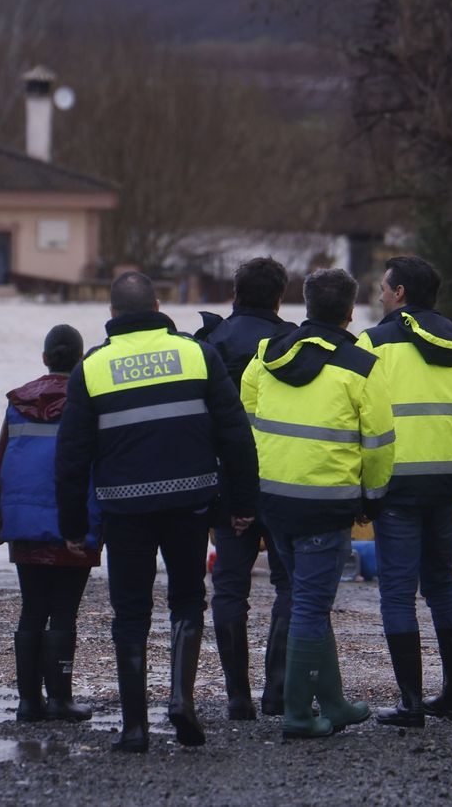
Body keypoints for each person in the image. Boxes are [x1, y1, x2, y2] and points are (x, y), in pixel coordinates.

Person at [55, 272, 259, 754]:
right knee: (187, 599)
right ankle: (181, 699)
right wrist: (243, 503)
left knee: (130, 611)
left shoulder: (92, 368)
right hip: (191, 501)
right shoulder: (197, 354)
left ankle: (134, 728)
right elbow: (236, 435)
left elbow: (72, 456)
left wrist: (73, 525)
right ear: (158, 306)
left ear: (112, 314)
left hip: (124, 508)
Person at [241, 268, 395, 741]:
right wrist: (372, 497)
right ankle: (297, 714)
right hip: (326, 505)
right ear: (350, 313)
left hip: (274, 499)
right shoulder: (361, 366)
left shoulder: (267, 355)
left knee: (310, 599)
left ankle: (333, 703)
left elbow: (245, 420)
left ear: (305, 305)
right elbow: (379, 444)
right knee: (310, 604)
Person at [358, 255, 452, 727]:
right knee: (441, 584)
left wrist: (363, 487)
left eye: (384, 288)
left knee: (398, 593)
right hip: (448, 483)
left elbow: (364, 418)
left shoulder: (374, 343)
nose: (381, 295)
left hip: (396, 484)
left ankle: (411, 703)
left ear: (399, 293)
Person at [194, 256, 297, 719]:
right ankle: (277, 690)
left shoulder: (210, 343)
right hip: (282, 478)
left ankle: (238, 695)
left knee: (229, 586)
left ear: (235, 293)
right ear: (280, 296)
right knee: (289, 583)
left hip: (226, 482)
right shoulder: (295, 343)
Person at [0, 324, 100, 723]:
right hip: (74, 522)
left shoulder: (18, 402)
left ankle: (28, 702)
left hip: (25, 522)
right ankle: (60, 699)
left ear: (44, 358)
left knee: (32, 609)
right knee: (65, 611)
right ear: (81, 360)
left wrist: (0, 519)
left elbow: (0, 466)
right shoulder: (88, 401)